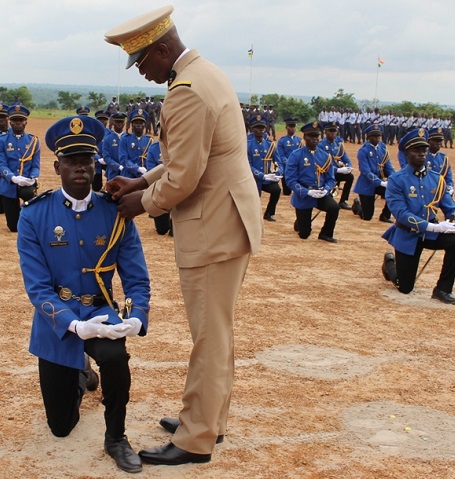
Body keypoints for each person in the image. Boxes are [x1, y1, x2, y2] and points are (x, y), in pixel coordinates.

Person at [104, 5, 262, 466]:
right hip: (228, 218)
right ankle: (208, 420)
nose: (143, 74)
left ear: (162, 49)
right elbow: (195, 156)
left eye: (143, 63)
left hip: (213, 225)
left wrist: (143, 203)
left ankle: (196, 440)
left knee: (210, 337)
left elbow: (185, 177)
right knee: (218, 332)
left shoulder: (186, 92)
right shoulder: (204, 74)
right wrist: (140, 180)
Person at [17, 114, 150, 474]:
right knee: (61, 427)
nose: (80, 168)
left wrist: (137, 316)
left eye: (87, 160)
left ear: (96, 164)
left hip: (100, 314)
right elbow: (38, 287)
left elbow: (136, 278)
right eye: (72, 162)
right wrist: (74, 327)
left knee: (116, 358)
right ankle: (81, 373)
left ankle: (117, 437)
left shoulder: (116, 214)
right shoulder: (33, 216)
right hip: (57, 322)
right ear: (58, 166)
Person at [381, 128, 455, 304]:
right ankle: (389, 264)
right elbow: (401, 213)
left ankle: (442, 289)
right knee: (405, 288)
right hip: (408, 234)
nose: (421, 154)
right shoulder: (397, 179)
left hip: (431, 234)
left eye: (424, 150)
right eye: (416, 150)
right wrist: (434, 226)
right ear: (406, 153)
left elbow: (449, 205)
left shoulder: (436, 179)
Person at [285, 121, 340, 242]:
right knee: (304, 234)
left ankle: (326, 233)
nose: (314, 139)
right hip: (304, 195)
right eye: (311, 136)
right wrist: (307, 192)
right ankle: (300, 222)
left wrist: (326, 189)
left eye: (316, 136)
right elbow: (290, 180)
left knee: (334, 208)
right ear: (304, 138)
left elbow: (331, 178)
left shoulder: (325, 156)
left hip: (321, 193)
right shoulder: (296, 155)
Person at [0, 104, 40, 232]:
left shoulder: (33, 141)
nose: (18, 123)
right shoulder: (2, 140)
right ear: (10, 122)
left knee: (30, 223)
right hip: (8, 185)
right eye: (15, 121)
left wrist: (33, 178)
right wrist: (13, 178)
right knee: (13, 227)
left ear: (26, 122)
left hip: (27, 184)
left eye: (21, 120)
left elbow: (36, 165)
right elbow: (1, 163)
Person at [354, 124, 394, 222]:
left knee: (394, 193)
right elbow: (365, 171)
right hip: (367, 184)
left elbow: (388, 167)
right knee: (367, 216)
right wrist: (380, 182)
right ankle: (357, 207)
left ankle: (385, 215)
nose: (377, 138)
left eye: (379, 136)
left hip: (380, 181)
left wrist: (394, 178)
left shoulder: (382, 148)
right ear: (369, 137)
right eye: (375, 136)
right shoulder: (363, 151)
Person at [246, 116, 282, 221]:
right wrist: (263, 176)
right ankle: (250, 216)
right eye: (257, 128)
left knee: (276, 190)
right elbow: (248, 165)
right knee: (253, 198)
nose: (260, 130)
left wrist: (278, 173)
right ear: (252, 129)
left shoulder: (270, 145)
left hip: (267, 178)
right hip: (253, 179)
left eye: (262, 128)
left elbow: (278, 161)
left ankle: (269, 213)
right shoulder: (248, 145)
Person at [319, 121, 355, 210]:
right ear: (325, 132)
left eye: (334, 131)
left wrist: (348, 166)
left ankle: (343, 201)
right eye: (330, 131)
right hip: (325, 173)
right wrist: (337, 170)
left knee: (350, 177)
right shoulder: (320, 145)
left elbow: (345, 157)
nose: (332, 133)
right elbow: (322, 164)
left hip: (337, 171)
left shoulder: (338, 144)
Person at [118, 109, 154, 178]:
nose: (138, 125)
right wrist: (137, 168)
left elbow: (151, 160)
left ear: (145, 125)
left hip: (144, 176)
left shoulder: (149, 141)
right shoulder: (125, 139)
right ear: (132, 125)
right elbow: (123, 159)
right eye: (136, 123)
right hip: (128, 175)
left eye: (141, 123)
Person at [276, 117, 302, 196]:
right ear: (286, 127)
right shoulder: (282, 141)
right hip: (286, 168)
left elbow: (302, 154)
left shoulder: (299, 141)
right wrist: (289, 163)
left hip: (297, 168)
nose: (292, 128)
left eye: (293, 126)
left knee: (298, 191)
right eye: (290, 126)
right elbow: (280, 155)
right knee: (287, 193)